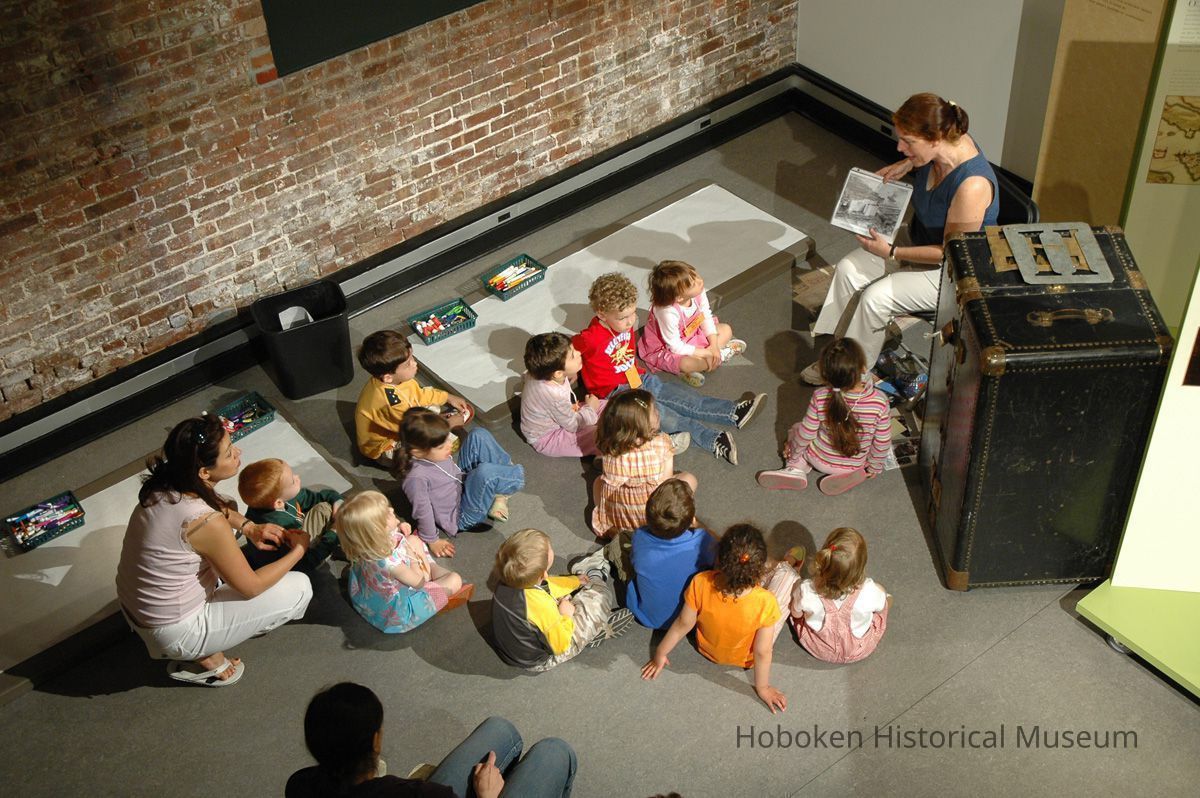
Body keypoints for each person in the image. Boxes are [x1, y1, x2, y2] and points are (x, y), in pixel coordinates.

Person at [805, 92, 1000, 377]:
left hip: (953, 273)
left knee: (875, 297)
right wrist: (909, 163)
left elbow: (950, 254)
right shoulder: (944, 143)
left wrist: (892, 253)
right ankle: (840, 349)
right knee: (848, 269)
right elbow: (932, 156)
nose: (899, 147)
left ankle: (851, 375)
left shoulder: (972, 186)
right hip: (921, 238)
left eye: (908, 142)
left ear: (935, 138)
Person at [115, 414, 313, 687]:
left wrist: (249, 527)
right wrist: (299, 550)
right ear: (204, 473)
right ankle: (203, 653)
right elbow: (252, 587)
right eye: (229, 452)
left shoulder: (165, 483)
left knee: (229, 505)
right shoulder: (206, 523)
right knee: (301, 587)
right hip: (174, 631)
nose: (238, 453)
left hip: (135, 606)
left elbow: (217, 506)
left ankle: (209, 634)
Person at [572, 271, 765, 465]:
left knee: (685, 397)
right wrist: (568, 376)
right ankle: (712, 439)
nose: (630, 321)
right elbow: (566, 354)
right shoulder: (589, 338)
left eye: (632, 314)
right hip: (617, 393)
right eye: (623, 318)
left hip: (638, 377)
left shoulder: (623, 323)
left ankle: (733, 412)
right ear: (602, 314)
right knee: (666, 417)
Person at [286, 682, 577, 797]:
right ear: (376, 741)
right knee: (554, 752)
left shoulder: (300, 786)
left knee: (499, 729)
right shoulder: (416, 795)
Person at [641, 524, 788, 714]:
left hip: (707, 649)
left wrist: (660, 654)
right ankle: (787, 566)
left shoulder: (700, 582)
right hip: (744, 659)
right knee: (787, 576)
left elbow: (683, 624)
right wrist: (763, 688)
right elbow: (762, 651)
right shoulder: (766, 602)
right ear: (759, 570)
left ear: (719, 558)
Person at [758, 337, 891, 496]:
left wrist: (793, 455)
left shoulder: (820, 396)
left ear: (825, 374)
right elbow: (882, 441)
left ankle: (795, 468)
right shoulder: (880, 402)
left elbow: (806, 434)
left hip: (818, 459)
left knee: (796, 428)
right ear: (863, 368)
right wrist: (874, 466)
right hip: (854, 465)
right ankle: (849, 474)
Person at [491, 528, 633, 671]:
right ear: (543, 574)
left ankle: (586, 625)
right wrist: (566, 615)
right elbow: (561, 645)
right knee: (600, 595)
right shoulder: (542, 607)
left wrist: (575, 581)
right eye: (550, 549)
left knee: (559, 592)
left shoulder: (507, 581)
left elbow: (546, 585)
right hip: (543, 658)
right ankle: (594, 630)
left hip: (514, 649)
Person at [337, 491, 472, 634]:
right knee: (454, 579)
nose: (391, 509)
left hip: (369, 602)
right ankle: (433, 569)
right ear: (378, 529)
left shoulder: (365, 545)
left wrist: (399, 527)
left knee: (412, 540)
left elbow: (389, 535)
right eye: (387, 513)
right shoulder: (392, 565)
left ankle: (430, 566)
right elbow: (419, 582)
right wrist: (412, 555)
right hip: (399, 615)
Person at [396, 408, 524, 558]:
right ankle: (504, 487)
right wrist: (432, 540)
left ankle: (499, 488)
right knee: (484, 472)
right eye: (441, 446)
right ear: (417, 452)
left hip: (461, 483)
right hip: (461, 515)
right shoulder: (416, 478)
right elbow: (422, 511)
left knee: (478, 435)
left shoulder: (430, 453)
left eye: (447, 438)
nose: (449, 444)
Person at [355, 330, 473, 467]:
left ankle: (437, 423)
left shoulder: (396, 379)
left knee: (433, 406)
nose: (414, 363)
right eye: (408, 364)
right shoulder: (391, 403)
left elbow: (419, 394)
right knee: (445, 444)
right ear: (388, 377)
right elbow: (415, 433)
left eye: (412, 357)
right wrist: (448, 425)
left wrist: (447, 397)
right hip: (384, 446)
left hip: (402, 421)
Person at [591, 390, 698, 540]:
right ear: (642, 423)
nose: (658, 412)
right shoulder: (661, 443)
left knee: (597, 482)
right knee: (689, 479)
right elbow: (666, 487)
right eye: (654, 410)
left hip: (620, 522)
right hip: (653, 519)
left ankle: (612, 525)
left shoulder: (610, 447)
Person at [638, 259, 746, 388]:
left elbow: (706, 316)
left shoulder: (698, 291)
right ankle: (719, 357)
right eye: (693, 283)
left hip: (693, 334)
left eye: (695, 275)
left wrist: (713, 346)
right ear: (679, 297)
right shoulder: (667, 312)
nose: (700, 281)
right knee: (686, 364)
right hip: (669, 347)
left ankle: (703, 363)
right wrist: (708, 353)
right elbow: (675, 346)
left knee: (726, 330)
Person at [624, 479, 716, 629]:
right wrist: (700, 526)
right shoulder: (702, 540)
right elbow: (720, 549)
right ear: (691, 520)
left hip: (648, 617)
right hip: (691, 617)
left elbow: (635, 562)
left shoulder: (639, 537)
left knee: (621, 541)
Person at [790, 527, 891, 663]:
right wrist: (881, 594)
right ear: (860, 569)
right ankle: (886, 597)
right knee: (883, 597)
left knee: (796, 594)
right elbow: (880, 608)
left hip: (820, 648)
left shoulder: (806, 589)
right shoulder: (869, 591)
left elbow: (796, 614)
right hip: (859, 650)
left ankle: (791, 569)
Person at [238, 457, 343, 570]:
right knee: (329, 512)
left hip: (300, 538)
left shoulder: (275, 500)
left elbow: (314, 497)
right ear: (278, 503)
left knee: (326, 505)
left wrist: (337, 501)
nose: (297, 477)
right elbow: (304, 563)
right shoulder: (279, 531)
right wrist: (333, 533)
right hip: (298, 564)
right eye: (293, 481)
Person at [519, 331, 605, 458]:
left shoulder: (539, 372)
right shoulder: (554, 395)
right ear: (558, 373)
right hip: (548, 438)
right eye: (573, 356)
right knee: (597, 435)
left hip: (566, 412)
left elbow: (525, 376)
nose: (579, 353)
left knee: (609, 405)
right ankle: (612, 454)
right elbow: (573, 425)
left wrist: (567, 374)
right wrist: (590, 409)